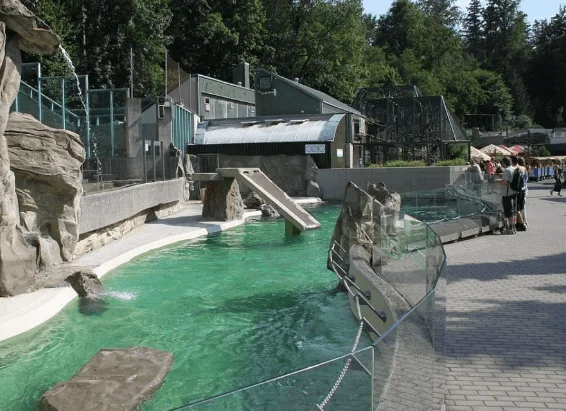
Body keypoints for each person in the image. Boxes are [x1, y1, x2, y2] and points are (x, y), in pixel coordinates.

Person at [498, 156, 517, 234]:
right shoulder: (514, 169)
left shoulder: (507, 170)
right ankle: (513, 227)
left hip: (507, 193)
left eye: (502, 163)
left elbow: (504, 182)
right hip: (514, 192)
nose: (501, 164)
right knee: (513, 211)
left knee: (508, 211)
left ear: (504, 163)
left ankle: (510, 228)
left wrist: (497, 181)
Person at [513, 156, 528, 231]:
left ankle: (522, 223)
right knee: (522, 206)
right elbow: (526, 179)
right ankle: (523, 222)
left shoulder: (517, 168)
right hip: (524, 188)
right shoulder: (524, 168)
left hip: (519, 189)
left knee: (518, 207)